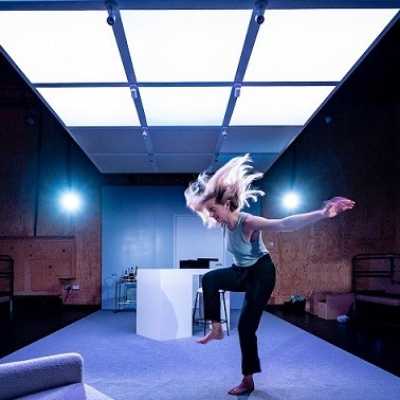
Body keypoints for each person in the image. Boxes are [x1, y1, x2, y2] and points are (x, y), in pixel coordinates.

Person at [184, 154, 355, 396]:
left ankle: (247, 380)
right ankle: (216, 328)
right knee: (210, 278)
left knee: (245, 327)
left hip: (261, 274)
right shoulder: (225, 226)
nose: (211, 215)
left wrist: (322, 213)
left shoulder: (248, 222)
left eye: (213, 209)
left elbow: (285, 224)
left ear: (226, 203)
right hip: (241, 271)